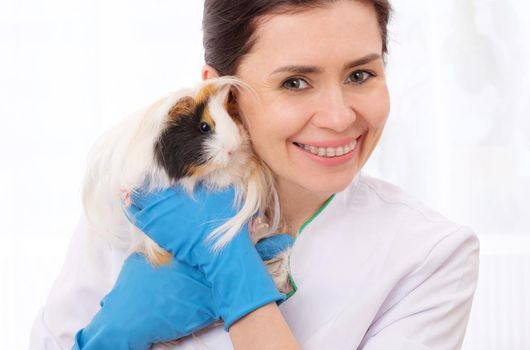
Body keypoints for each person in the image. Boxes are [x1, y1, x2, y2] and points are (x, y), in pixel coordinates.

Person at [29, 0, 480, 349]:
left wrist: (230, 267)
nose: (340, 117)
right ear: (222, 96)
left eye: (360, 74)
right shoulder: (140, 201)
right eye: (295, 82)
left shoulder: (430, 256)